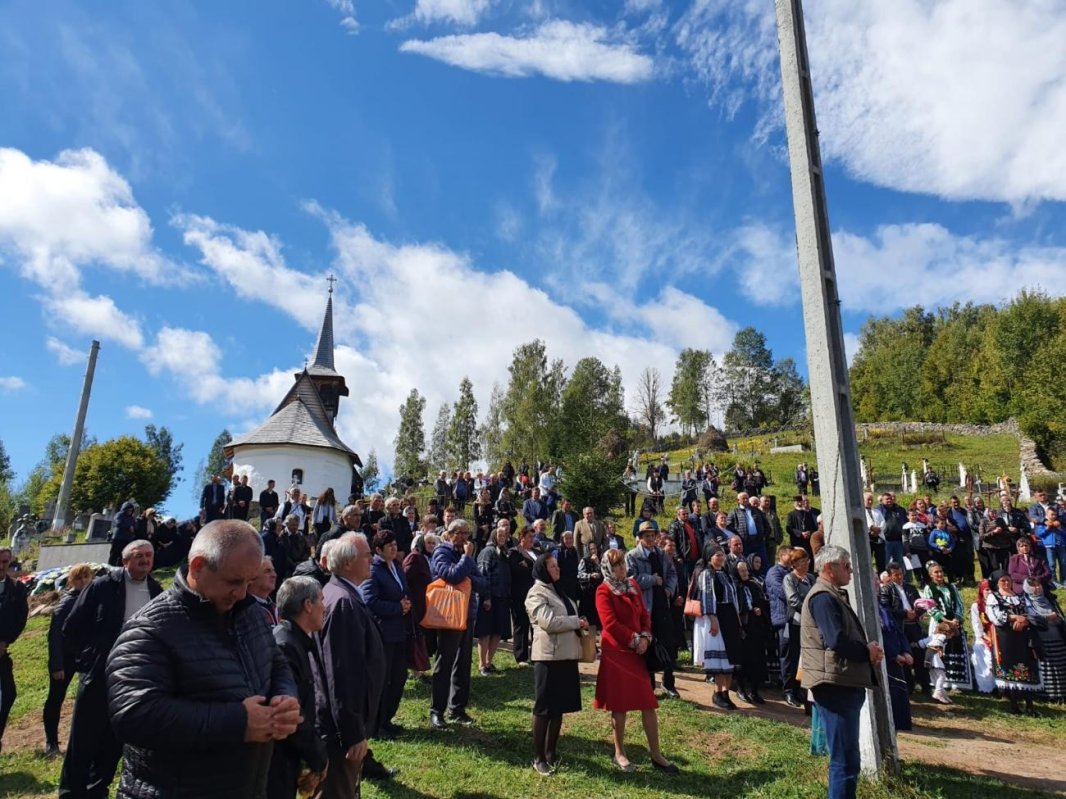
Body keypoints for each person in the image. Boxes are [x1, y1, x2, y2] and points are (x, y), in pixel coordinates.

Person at [106, 522, 300, 798]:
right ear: (197, 567)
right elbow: (134, 714)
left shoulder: (250, 614)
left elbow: (276, 662)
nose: (243, 593)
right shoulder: (151, 628)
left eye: (248, 581)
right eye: (234, 581)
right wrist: (237, 721)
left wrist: (284, 696)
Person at [60, 541, 162, 798]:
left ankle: (98, 789)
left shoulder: (156, 590)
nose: (144, 560)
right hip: (98, 673)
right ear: (125, 561)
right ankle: (71, 792)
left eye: (149, 556)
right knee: (84, 737)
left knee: (114, 738)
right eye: (138, 556)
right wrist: (87, 660)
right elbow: (72, 627)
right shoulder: (103, 586)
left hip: (133, 680)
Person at [799, 545, 883, 799]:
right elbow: (836, 640)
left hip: (841, 682)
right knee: (844, 762)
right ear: (829, 568)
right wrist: (866, 651)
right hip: (834, 685)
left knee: (847, 759)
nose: (851, 572)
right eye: (846, 566)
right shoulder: (823, 597)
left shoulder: (832, 594)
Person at [316, 532, 391, 796]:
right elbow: (341, 673)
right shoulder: (343, 603)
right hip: (341, 734)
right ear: (348, 563)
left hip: (347, 726)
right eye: (367, 555)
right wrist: (352, 733)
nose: (372, 558)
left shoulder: (343, 595)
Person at [594, 548, 678, 774]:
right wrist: (634, 639)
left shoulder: (633, 586)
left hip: (638, 651)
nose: (622, 568)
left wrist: (646, 637)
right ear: (609, 569)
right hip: (618, 654)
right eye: (617, 565)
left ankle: (656, 754)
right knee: (619, 706)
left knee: (647, 702)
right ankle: (619, 753)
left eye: (622, 564)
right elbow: (609, 624)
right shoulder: (603, 591)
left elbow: (644, 615)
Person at [525, 552, 588, 775]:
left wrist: (580, 623)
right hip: (548, 657)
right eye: (553, 567)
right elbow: (549, 622)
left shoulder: (559, 591)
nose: (557, 570)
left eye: (557, 566)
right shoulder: (536, 593)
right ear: (543, 569)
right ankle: (539, 757)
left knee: (558, 707)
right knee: (544, 709)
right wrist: (575, 622)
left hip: (566, 656)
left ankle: (551, 752)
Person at [268, 577, 328, 799]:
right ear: (308, 605)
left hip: (290, 758)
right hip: (277, 763)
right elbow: (291, 711)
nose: (325, 606)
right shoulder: (285, 645)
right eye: (321, 600)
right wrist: (317, 755)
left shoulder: (297, 640)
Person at [429, 519, 488, 729]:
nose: (464, 537)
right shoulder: (442, 552)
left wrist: (468, 577)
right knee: (444, 664)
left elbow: (483, 583)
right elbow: (451, 575)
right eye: (460, 533)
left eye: (467, 533)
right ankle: (437, 710)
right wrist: (466, 560)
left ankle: (457, 708)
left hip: (467, 615)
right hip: (448, 616)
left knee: (463, 664)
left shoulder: (467, 557)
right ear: (450, 533)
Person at [360, 530, 411, 740]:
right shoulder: (374, 571)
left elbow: (402, 592)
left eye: (394, 543)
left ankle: (387, 718)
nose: (393, 547)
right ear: (378, 550)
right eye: (388, 545)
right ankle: (376, 725)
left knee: (398, 677)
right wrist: (397, 608)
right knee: (383, 680)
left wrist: (405, 604)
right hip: (384, 633)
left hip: (400, 631)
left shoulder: (397, 567)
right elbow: (369, 601)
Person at [44, 563, 95, 755]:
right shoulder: (66, 604)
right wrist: (57, 665)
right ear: (71, 581)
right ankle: (51, 743)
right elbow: (55, 636)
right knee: (56, 699)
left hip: (86, 657)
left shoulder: (93, 598)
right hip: (65, 658)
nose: (84, 581)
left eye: (86, 576)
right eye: (79, 578)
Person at [627, 522, 678, 699]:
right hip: (644, 606)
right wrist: (651, 579)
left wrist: (669, 589)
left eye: (652, 535)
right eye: (646, 535)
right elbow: (630, 578)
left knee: (668, 642)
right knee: (646, 644)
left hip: (662, 604)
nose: (650, 538)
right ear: (640, 537)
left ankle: (669, 682)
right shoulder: (632, 556)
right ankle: (648, 685)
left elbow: (672, 573)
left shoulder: (662, 554)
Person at [692, 543, 742, 708]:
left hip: (730, 617)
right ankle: (717, 692)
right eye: (717, 555)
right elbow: (707, 597)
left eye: (722, 554)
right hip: (718, 616)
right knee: (720, 660)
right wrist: (713, 619)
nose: (721, 557)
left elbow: (733, 597)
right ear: (710, 558)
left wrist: (737, 618)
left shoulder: (726, 574)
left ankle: (726, 693)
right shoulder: (707, 574)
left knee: (730, 658)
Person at [985, 569, 1042, 714]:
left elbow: (1028, 613)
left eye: (1008, 580)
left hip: (1022, 636)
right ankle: (1014, 705)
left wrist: (1024, 620)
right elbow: (995, 617)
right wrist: (1014, 618)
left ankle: (1030, 705)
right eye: (1002, 581)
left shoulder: (1018, 596)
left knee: (1027, 666)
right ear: (997, 583)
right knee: (1010, 666)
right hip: (1006, 637)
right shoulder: (993, 597)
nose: (1006, 583)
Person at [920, 562, 972, 691]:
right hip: (939, 623)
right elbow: (930, 607)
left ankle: (957, 682)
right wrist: (945, 620)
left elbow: (959, 604)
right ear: (931, 575)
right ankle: (940, 682)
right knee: (939, 650)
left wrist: (956, 619)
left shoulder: (952, 587)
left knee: (956, 649)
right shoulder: (929, 588)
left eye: (940, 571)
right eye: (936, 572)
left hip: (954, 623)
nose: (939, 574)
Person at [0, 546, 28, 753]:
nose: (1, 566)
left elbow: (20, 618)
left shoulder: (17, 589)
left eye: (5, 562)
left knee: (8, 694)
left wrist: (5, 641)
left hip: (1, 650)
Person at [475, 525, 513, 676]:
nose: (502, 538)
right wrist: (486, 597)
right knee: (486, 632)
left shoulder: (504, 553)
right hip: (490, 599)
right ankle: (482, 664)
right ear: (493, 536)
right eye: (499, 535)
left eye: (504, 536)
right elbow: (483, 575)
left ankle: (489, 662)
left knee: (497, 632)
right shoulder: (488, 552)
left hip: (502, 598)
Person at [781, 548, 816, 708]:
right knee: (792, 658)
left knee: (805, 658)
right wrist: (811, 611)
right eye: (803, 562)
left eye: (807, 561)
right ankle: (788, 691)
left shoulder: (810, 578)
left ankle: (800, 690)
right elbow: (793, 600)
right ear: (794, 564)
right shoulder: (789, 579)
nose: (807, 564)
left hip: (810, 625)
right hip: (795, 623)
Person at [1022, 578, 1066, 703]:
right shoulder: (1025, 601)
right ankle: (1048, 695)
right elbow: (1032, 619)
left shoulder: (1049, 599)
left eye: (1038, 585)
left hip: (1057, 638)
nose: (1037, 588)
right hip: (1041, 640)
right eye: (1033, 586)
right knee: (1047, 669)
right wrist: (1048, 618)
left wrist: (1054, 618)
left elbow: (1059, 617)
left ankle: (1062, 694)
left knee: (1061, 666)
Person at [733, 559, 770, 705]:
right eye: (741, 571)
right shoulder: (734, 587)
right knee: (743, 662)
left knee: (757, 661)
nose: (745, 573)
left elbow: (762, 601)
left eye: (746, 570)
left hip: (755, 628)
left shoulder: (754, 585)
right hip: (742, 629)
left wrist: (758, 608)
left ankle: (754, 691)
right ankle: (741, 689)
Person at [403, 531, 438, 678]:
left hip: (423, 602)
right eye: (426, 542)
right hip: (416, 603)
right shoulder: (414, 558)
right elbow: (405, 577)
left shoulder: (423, 557)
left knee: (421, 636)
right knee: (417, 637)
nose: (429, 545)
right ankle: (416, 670)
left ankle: (418, 670)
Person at [765, 545, 793, 695]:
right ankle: (786, 687)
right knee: (786, 652)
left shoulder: (790, 572)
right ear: (782, 556)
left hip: (793, 619)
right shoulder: (773, 573)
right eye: (790, 555)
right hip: (782, 618)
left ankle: (793, 686)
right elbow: (783, 593)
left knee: (793, 652)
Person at [508, 526, 538, 665]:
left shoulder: (537, 552)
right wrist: (529, 569)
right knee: (521, 624)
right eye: (530, 537)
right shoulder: (514, 552)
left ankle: (535, 654)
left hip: (536, 594)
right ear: (522, 537)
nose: (532, 539)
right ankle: (521, 656)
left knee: (535, 625)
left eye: (533, 537)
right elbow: (516, 570)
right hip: (520, 593)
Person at [969, 579, 997, 694]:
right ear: (981, 591)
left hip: (998, 635)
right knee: (979, 649)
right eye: (986, 589)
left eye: (991, 589)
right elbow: (977, 626)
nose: (989, 592)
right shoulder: (977, 606)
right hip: (985, 636)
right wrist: (985, 637)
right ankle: (986, 687)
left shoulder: (998, 603)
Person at [577, 541, 603, 631]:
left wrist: (597, 563)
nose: (593, 551)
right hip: (588, 593)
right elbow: (579, 575)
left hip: (598, 591)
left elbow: (604, 573)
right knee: (588, 618)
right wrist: (590, 575)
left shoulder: (600, 560)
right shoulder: (584, 560)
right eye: (591, 549)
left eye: (595, 548)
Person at [249, 556, 280, 625]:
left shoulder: (276, 608)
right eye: (267, 571)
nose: (274, 575)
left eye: (273, 570)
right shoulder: (244, 609)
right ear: (251, 577)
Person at [108, 501, 138, 567]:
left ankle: (120, 569)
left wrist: (133, 528)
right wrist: (129, 527)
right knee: (114, 555)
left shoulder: (131, 518)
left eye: (131, 510)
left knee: (123, 555)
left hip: (127, 539)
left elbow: (135, 525)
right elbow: (118, 523)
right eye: (128, 510)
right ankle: (110, 568)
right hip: (118, 538)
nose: (130, 512)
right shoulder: (119, 515)